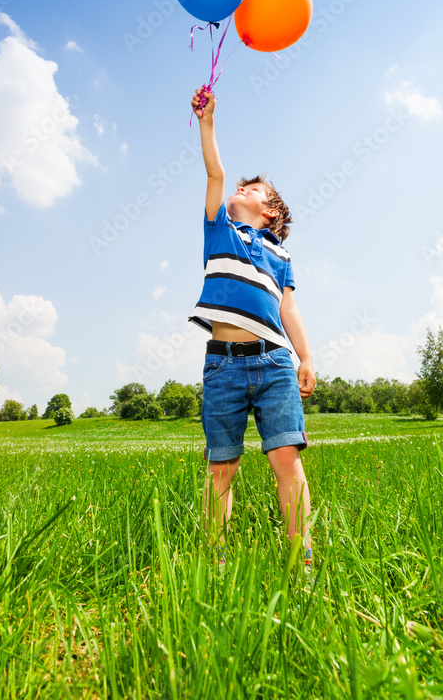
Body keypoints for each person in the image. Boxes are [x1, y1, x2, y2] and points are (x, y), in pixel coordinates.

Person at [189, 87, 316, 573]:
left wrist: (305, 356)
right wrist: (207, 123)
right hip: (222, 364)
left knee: (287, 459)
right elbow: (216, 172)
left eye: (253, 190)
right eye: (240, 188)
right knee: (221, 465)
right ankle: (216, 561)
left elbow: (289, 308)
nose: (240, 189)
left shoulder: (281, 255)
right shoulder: (219, 227)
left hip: (273, 363)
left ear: (272, 213)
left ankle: (301, 558)